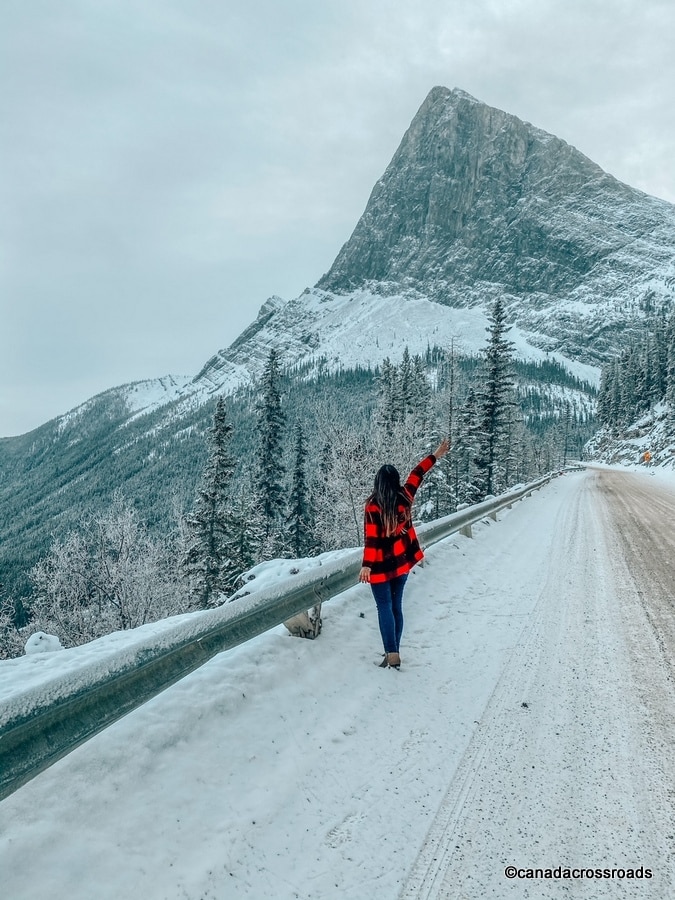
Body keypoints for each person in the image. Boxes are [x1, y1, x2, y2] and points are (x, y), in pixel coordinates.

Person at [359, 438, 450, 669]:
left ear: (378, 483)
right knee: (396, 606)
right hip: (401, 564)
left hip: (380, 567)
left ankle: (390, 651)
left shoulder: (373, 506)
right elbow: (417, 473)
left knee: (384, 607)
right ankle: (395, 651)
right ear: (396, 481)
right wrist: (436, 455)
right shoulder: (405, 497)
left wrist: (367, 565)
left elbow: (372, 539)